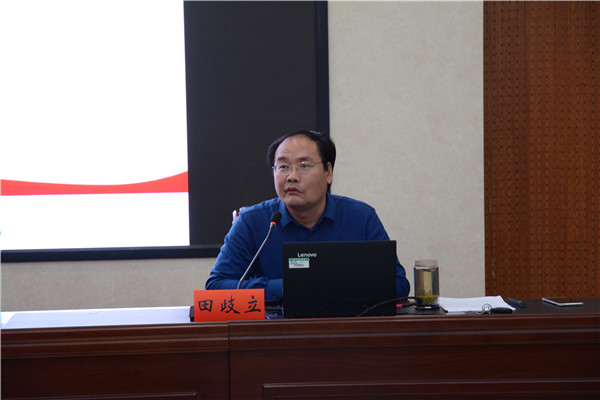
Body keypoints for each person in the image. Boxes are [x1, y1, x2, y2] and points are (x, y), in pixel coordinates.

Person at [205, 130, 410, 303]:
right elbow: (216, 288)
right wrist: (285, 287)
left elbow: (398, 285)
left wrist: (334, 286)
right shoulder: (253, 222)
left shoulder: (361, 217)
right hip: (277, 333)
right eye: (283, 167)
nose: (292, 176)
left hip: (347, 331)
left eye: (304, 165)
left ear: (328, 172)